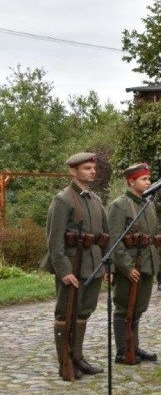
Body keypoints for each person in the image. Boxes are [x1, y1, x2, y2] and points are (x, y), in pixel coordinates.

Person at [41, 152, 109, 380]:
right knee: (65, 312)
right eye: (86, 168)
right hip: (71, 265)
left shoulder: (96, 199)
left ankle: (77, 357)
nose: (92, 171)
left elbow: (104, 236)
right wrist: (64, 271)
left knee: (83, 311)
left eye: (93, 168)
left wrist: (106, 265)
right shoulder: (63, 200)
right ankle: (65, 362)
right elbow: (54, 239)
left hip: (93, 265)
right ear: (73, 171)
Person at [107, 163, 160, 364]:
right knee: (123, 307)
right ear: (131, 181)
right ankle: (123, 350)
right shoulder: (119, 205)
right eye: (143, 179)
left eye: (148, 179)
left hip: (147, 264)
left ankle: (133, 347)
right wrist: (126, 267)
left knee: (137, 308)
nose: (148, 182)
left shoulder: (148, 204)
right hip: (128, 266)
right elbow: (114, 240)